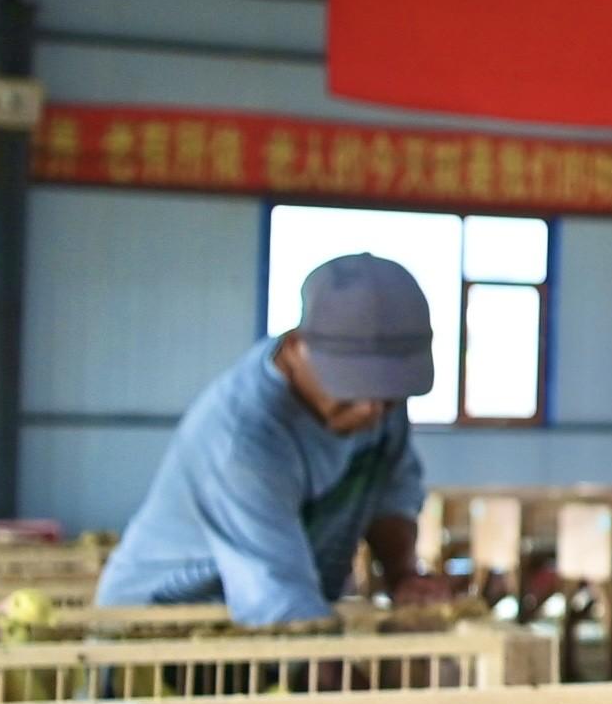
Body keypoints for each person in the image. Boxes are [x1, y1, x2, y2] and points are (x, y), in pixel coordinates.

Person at [97, 253, 454, 626]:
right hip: (161, 628)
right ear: (297, 346)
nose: (371, 410)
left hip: (271, 622)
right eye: (352, 388)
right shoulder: (242, 435)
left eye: (390, 394)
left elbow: (390, 492)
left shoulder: (380, 403)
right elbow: (279, 603)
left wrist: (403, 575)